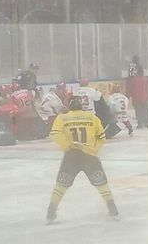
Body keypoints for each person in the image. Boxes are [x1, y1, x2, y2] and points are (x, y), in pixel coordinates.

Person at [46, 95, 117, 223]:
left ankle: (50, 214)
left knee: (60, 186)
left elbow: (55, 134)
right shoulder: (92, 117)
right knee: (102, 185)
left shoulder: (62, 118)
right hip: (90, 156)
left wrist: (68, 146)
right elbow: (102, 137)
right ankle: (113, 211)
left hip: (71, 156)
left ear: (69, 105)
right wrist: (93, 149)